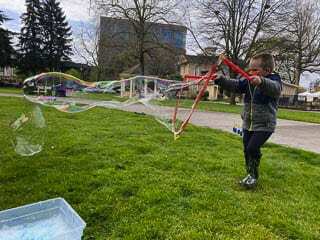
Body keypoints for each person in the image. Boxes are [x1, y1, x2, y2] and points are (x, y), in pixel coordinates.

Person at [215, 53, 282, 189]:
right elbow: (236, 85)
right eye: (250, 69)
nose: (251, 72)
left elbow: (276, 89)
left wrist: (261, 81)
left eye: (255, 70)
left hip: (265, 124)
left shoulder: (274, 80)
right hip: (248, 123)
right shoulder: (247, 81)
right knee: (247, 149)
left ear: (267, 70)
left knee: (252, 148)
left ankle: (254, 175)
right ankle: (250, 174)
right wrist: (221, 80)